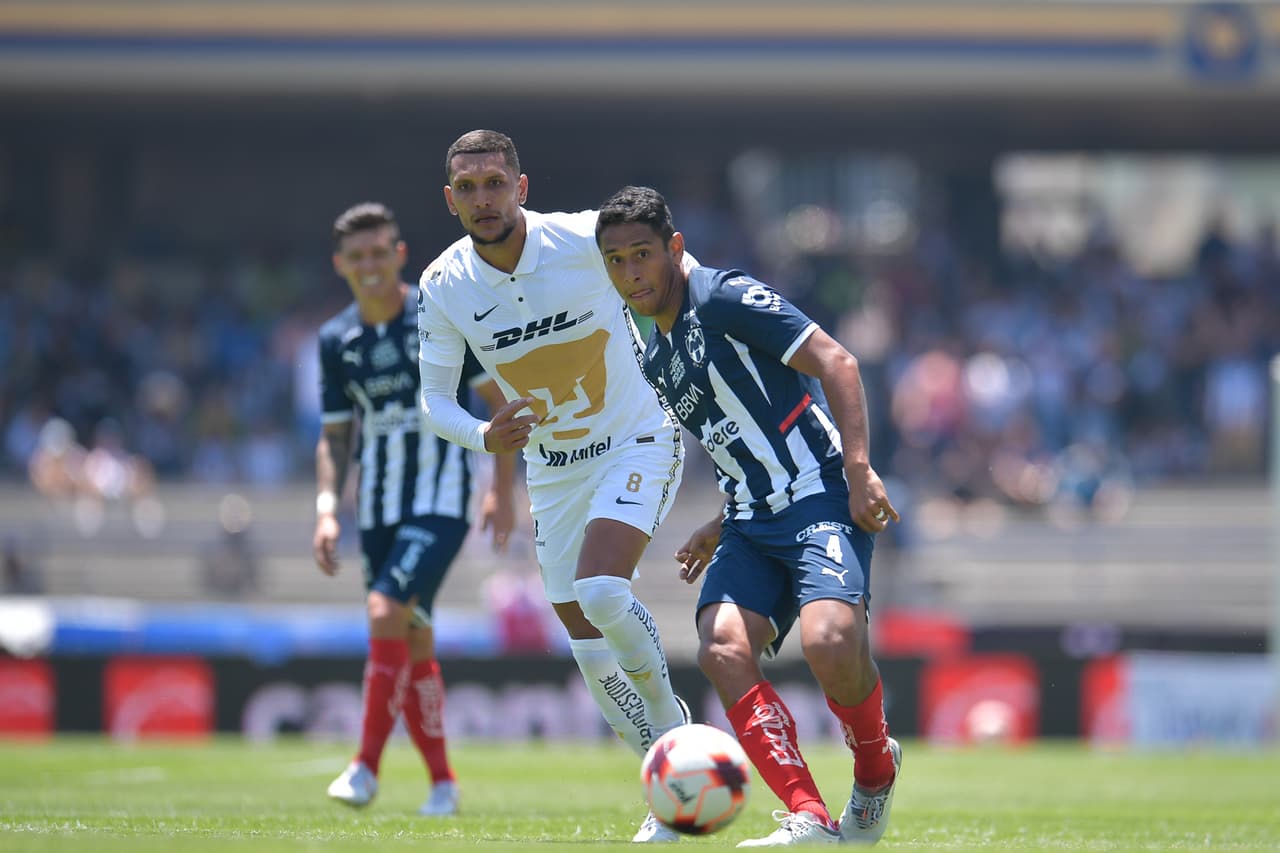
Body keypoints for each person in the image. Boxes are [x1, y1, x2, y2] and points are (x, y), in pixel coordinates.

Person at [595, 186, 902, 847]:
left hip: (820, 493)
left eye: (642, 254)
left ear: (674, 248)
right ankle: (810, 816)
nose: (631, 274)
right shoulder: (656, 355)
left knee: (829, 643)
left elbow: (837, 361)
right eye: (615, 261)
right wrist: (717, 523)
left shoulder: (724, 296)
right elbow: (740, 439)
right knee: (721, 645)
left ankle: (875, 773)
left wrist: (858, 469)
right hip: (750, 520)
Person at [416, 130, 690, 843]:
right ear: (451, 200)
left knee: (602, 591)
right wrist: (484, 436)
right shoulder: (443, 285)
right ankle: (668, 785)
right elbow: (433, 400)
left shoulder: (582, 241)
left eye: (494, 183)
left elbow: (675, 281)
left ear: (522, 188)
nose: (483, 198)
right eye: (468, 187)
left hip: (638, 436)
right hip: (554, 469)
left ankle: (676, 734)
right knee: (580, 632)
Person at [314, 201, 516, 817]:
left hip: (442, 497)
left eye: (380, 253)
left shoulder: (438, 314)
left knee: (384, 610)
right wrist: (327, 508)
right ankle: (443, 784)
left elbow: (499, 401)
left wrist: (501, 490)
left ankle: (364, 768)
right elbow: (335, 435)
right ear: (341, 265)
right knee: (413, 636)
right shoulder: (336, 340)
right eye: (358, 257)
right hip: (376, 505)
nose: (370, 266)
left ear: (399, 255)